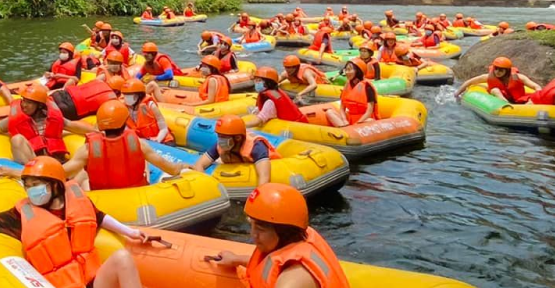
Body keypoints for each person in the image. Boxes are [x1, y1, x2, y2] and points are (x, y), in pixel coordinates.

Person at [0, 157, 156, 288]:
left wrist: (131, 232)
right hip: (59, 284)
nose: (32, 190)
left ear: (54, 185)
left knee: (122, 258)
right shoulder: (22, 214)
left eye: (37, 184)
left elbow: (100, 217)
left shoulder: (77, 200)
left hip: (92, 280)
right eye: (28, 185)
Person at [207, 184, 350, 288]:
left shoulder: (295, 279)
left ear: (284, 231)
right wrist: (236, 259)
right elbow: (270, 265)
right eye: (252, 225)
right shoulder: (298, 237)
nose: (253, 234)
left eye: (260, 229)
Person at [59, 101, 187, 190]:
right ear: (124, 122)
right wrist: (185, 167)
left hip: (103, 199)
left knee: (83, 175)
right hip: (136, 195)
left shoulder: (87, 150)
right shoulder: (139, 144)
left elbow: (62, 173)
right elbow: (171, 169)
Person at [191, 117, 274, 186]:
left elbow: (264, 177)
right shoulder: (221, 145)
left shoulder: (256, 146)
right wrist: (205, 184)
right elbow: (199, 164)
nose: (220, 140)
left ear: (238, 138)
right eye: (219, 136)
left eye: (223, 137)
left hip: (274, 165)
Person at [455, 57, 541, 103]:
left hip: (519, 99)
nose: (497, 72)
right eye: (496, 69)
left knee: (531, 99)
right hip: (502, 98)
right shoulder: (488, 77)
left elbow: (536, 86)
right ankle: (507, 105)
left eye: (501, 70)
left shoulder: (518, 77)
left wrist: (536, 98)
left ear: (507, 71)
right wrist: (457, 94)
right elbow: (469, 82)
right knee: (495, 90)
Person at [113, 77, 170, 143]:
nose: (127, 98)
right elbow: (126, 130)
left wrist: (158, 139)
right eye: (125, 95)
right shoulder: (123, 109)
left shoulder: (150, 106)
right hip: (142, 142)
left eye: (130, 95)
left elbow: (164, 128)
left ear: (139, 95)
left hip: (162, 140)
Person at [322, 59, 375, 128]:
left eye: (349, 69)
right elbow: (342, 108)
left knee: (370, 120)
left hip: (363, 120)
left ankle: (347, 129)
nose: (347, 72)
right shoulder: (347, 85)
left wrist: (358, 123)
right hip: (349, 120)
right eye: (346, 70)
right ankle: (345, 128)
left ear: (358, 71)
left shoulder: (367, 87)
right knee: (329, 112)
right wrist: (344, 120)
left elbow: (369, 112)